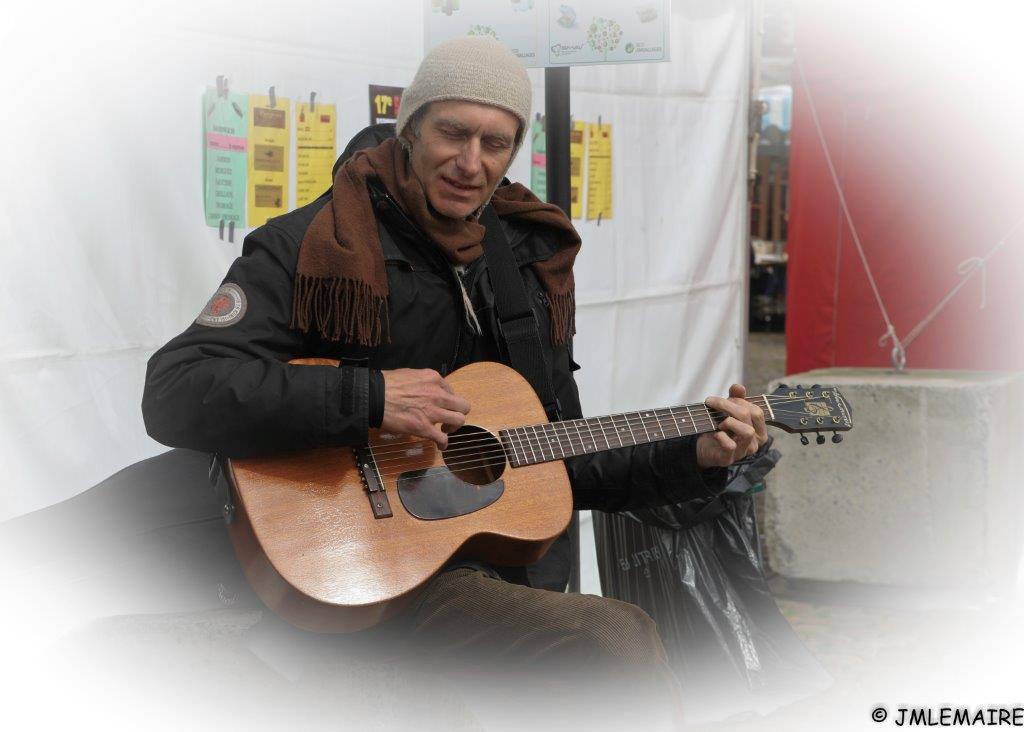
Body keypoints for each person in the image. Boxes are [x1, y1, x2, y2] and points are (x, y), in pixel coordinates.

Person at [142, 36, 768, 724]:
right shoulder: (313, 244)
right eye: (453, 133)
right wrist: (369, 398)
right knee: (616, 638)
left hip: (486, 567)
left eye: (496, 143)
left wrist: (695, 455)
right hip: (356, 564)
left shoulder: (528, 259)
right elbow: (176, 389)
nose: (472, 164)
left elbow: (558, 457)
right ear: (410, 128)